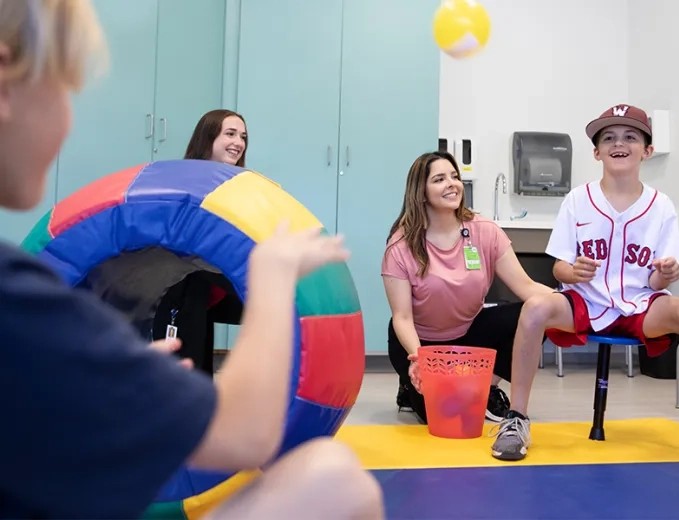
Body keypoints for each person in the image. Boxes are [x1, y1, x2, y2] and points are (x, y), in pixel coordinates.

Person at [0, 2, 385, 519]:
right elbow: (247, 435)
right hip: (193, 292)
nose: (68, 121)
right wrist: (271, 280)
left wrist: (110, 378)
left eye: (243, 137)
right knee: (334, 478)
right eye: (64, 92)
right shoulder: (18, 296)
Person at [490, 104, 679, 472]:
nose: (619, 143)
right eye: (609, 137)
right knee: (535, 307)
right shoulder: (577, 200)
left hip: (640, 306)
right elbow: (558, 266)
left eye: (630, 136)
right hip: (585, 302)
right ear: (596, 151)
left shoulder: (661, 206)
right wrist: (572, 271)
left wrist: (665, 274)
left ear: (647, 150)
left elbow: (656, 280)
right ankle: (517, 418)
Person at [381, 150, 555, 424]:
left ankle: (486, 387)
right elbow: (402, 318)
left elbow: (526, 287)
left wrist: (571, 303)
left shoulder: (484, 231)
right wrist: (420, 360)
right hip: (420, 342)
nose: (452, 184)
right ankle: (408, 388)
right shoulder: (400, 246)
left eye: (454, 176)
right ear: (421, 192)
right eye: (439, 179)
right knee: (441, 415)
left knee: (539, 312)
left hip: (469, 332)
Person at [150, 109, 249, 375]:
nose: (238, 142)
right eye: (230, 134)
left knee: (280, 305)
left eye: (242, 136)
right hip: (183, 286)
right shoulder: (185, 181)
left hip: (215, 283)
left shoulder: (237, 186)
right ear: (208, 138)